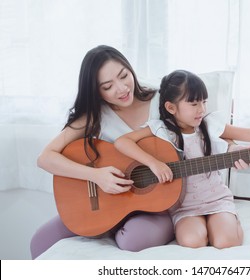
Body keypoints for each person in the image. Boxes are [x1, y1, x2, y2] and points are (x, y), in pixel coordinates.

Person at [114, 69, 250, 249]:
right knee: (192, 241)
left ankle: (229, 219)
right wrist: (153, 163)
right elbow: (122, 142)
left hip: (216, 199)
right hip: (184, 207)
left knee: (225, 242)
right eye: (194, 103)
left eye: (203, 102)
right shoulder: (160, 130)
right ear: (171, 107)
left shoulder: (210, 124)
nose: (202, 109)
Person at [30, 45, 174, 259]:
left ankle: (109, 226)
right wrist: (96, 176)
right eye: (108, 86)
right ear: (96, 91)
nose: (122, 88)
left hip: (158, 205)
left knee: (132, 240)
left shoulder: (163, 100)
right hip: (107, 202)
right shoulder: (96, 115)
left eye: (124, 76)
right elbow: (45, 158)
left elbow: (203, 130)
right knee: (39, 243)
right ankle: (106, 222)